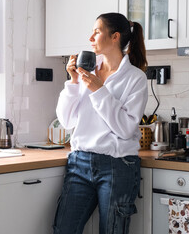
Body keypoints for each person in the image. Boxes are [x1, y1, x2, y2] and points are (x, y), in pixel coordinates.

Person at [53, 12, 148, 234]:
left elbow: (125, 129)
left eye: (97, 32)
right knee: (63, 230)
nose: (91, 38)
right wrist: (74, 82)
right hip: (80, 162)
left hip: (118, 165)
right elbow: (66, 121)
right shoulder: (86, 72)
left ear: (114, 37)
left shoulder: (135, 78)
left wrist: (98, 90)